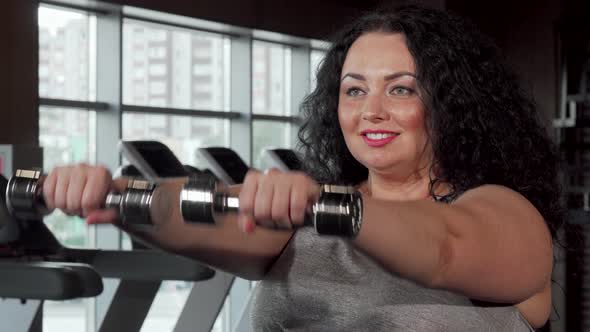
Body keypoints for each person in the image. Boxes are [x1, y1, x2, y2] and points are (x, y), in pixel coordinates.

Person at [43, 5, 563, 331]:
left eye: (401, 88)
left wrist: (322, 204)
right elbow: (209, 215)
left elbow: (443, 248)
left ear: (453, 103)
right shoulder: (308, 214)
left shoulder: (503, 214)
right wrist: (115, 195)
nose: (371, 111)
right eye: (354, 89)